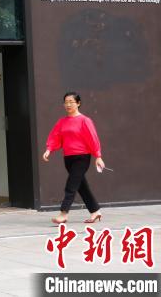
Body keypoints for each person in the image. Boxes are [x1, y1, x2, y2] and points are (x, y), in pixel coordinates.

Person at [42, 92, 106, 224]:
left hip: (82, 157)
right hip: (68, 158)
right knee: (81, 186)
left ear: (78, 103)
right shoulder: (62, 122)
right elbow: (55, 136)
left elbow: (93, 138)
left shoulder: (85, 120)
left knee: (71, 185)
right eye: (66, 102)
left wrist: (98, 156)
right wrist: (49, 149)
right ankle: (95, 211)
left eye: (71, 102)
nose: (68, 105)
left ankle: (63, 213)